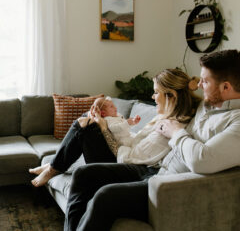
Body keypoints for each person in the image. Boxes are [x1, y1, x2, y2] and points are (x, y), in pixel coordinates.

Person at [64, 49, 240, 231]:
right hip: (155, 171)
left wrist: (176, 132)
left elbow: (202, 160)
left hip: (170, 186)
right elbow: (187, 89)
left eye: (206, 81)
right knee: (83, 175)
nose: (200, 85)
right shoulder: (207, 103)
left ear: (225, 87)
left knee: (105, 196)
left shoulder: (236, 121)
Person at [29, 69, 199, 187]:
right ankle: (55, 165)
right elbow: (135, 142)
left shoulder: (169, 128)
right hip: (123, 154)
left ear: (172, 96)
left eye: (156, 92)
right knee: (86, 119)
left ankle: (53, 168)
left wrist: (104, 128)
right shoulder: (163, 116)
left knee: (85, 126)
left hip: (122, 166)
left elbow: (130, 157)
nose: (152, 97)